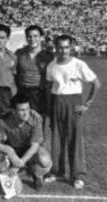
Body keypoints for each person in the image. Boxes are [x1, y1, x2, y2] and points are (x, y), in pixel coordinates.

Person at [45, 35, 101, 189]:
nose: (63, 50)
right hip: (57, 103)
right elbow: (49, 89)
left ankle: (78, 175)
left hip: (74, 103)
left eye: (66, 47)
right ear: (55, 48)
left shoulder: (79, 64)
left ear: (71, 47)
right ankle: (57, 171)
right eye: (60, 47)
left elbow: (96, 83)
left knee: (75, 139)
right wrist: (50, 109)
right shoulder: (51, 66)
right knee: (56, 139)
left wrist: (87, 104)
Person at [0, 94, 52, 191]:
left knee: (45, 160)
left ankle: (36, 173)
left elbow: (34, 146)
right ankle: (5, 176)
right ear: (13, 111)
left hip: (29, 150)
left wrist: (20, 163)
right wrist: (9, 151)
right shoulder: (4, 120)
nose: (26, 113)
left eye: (27, 109)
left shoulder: (36, 119)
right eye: (22, 110)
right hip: (13, 148)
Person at [15, 25, 53, 115]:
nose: (32, 39)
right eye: (29, 36)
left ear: (41, 37)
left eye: (35, 36)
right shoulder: (19, 53)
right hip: (22, 92)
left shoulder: (49, 56)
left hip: (40, 93)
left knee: (39, 121)